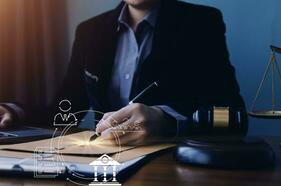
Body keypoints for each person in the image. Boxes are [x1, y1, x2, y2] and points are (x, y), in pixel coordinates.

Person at [0, 0, 247, 145]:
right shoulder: (89, 31)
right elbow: (63, 113)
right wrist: (14, 111)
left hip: (174, 169)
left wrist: (168, 120)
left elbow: (233, 115)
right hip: (101, 166)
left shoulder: (202, 23)